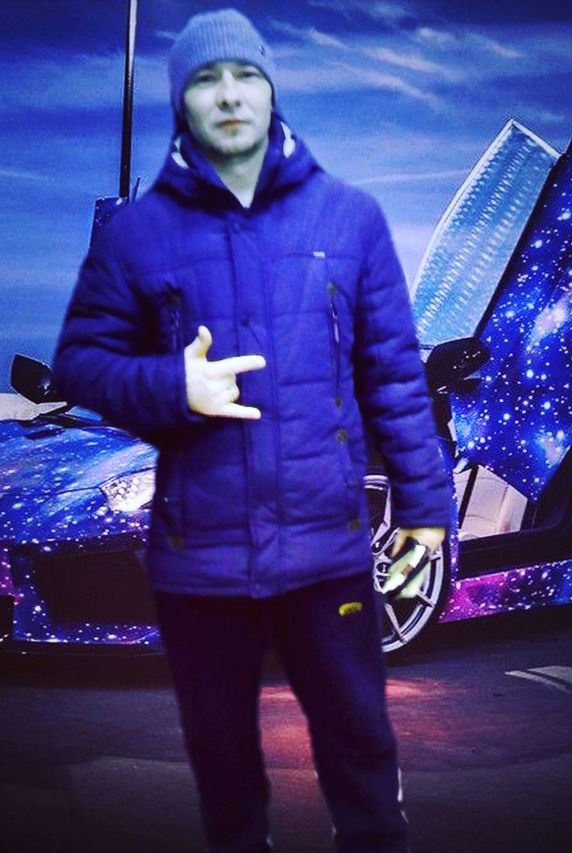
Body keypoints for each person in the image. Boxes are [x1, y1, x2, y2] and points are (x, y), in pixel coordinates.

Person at [53, 8, 451, 852]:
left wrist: (425, 508)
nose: (229, 94)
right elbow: (80, 365)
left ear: (272, 91)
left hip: (328, 554)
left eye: (246, 75)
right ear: (181, 101)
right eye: (206, 79)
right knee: (225, 771)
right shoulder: (138, 234)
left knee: (362, 755)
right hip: (199, 564)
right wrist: (173, 385)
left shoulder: (350, 218)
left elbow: (394, 377)